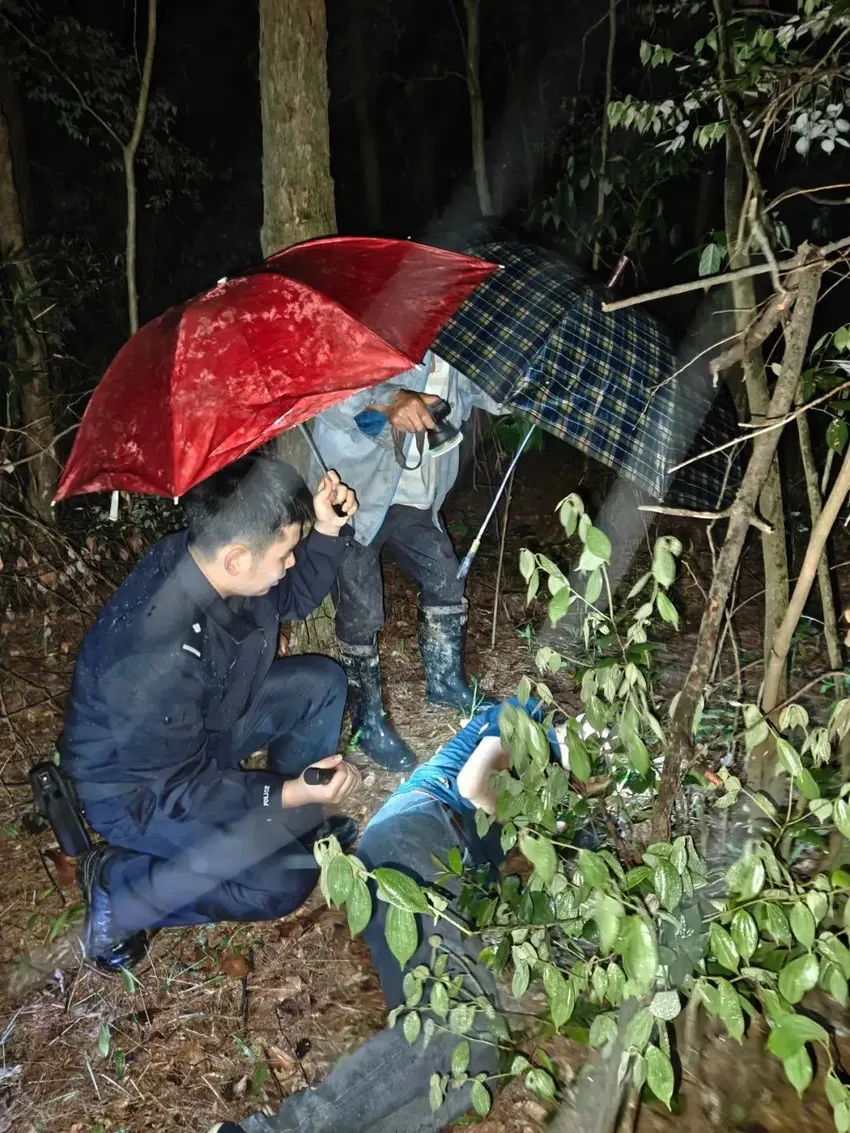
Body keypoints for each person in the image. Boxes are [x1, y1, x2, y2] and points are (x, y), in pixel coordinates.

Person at [205, 698, 564, 1133]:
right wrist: (533, 825)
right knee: (453, 1018)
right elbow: (472, 785)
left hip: (427, 865)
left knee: (474, 1063)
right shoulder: (526, 715)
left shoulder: (559, 782)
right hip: (417, 834)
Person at [61, 454, 362, 971]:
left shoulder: (208, 561)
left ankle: (294, 822)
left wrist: (328, 532)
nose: (293, 561)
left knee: (320, 684)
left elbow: (286, 597)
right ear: (237, 559)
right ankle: (119, 884)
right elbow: (178, 787)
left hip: (203, 729)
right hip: (138, 791)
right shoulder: (155, 657)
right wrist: (283, 792)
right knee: (279, 883)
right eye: (287, 551)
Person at [309, 350, 505, 770]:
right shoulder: (382, 328)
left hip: (417, 500)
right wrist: (388, 401)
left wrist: (523, 391)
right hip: (356, 496)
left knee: (446, 579)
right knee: (362, 611)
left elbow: (486, 393)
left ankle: (446, 682)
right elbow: (331, 399)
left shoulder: (463, 342)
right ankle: (367, 721)